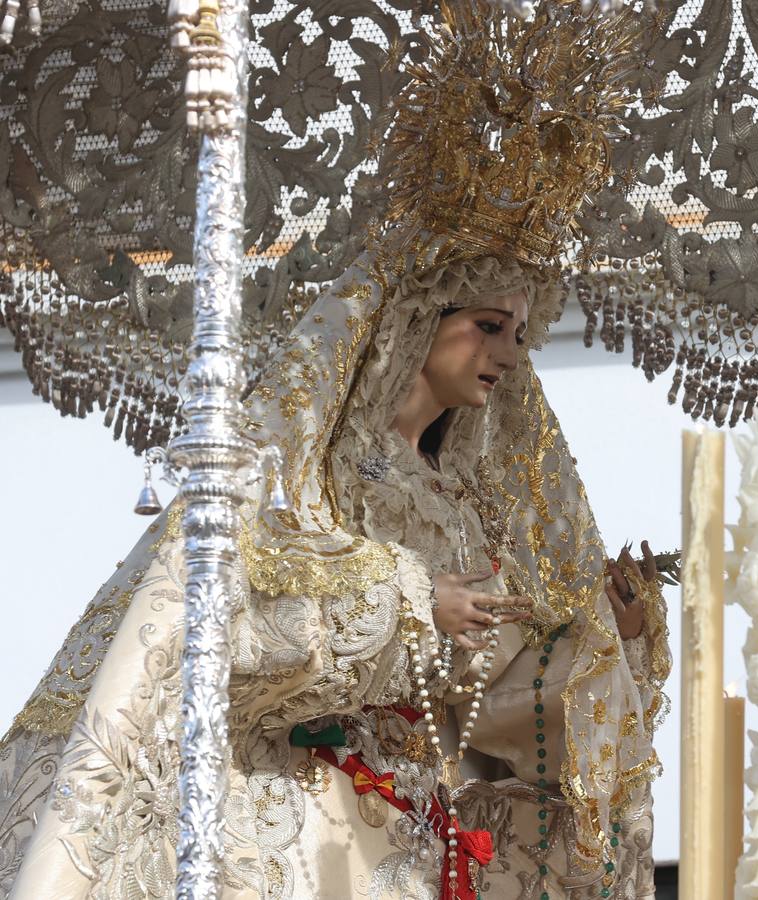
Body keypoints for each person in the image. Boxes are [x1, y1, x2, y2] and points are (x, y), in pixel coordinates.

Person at [0, 2, 668, 897]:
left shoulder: (468, 500)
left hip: (423, 832)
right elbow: (222, 629)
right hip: (305, 815)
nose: (508, 353)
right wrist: (404, 602)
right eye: (486, 324)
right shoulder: (305, 468)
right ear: (411, 321)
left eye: (520, 331)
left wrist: (601, 645)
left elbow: (480, 711)